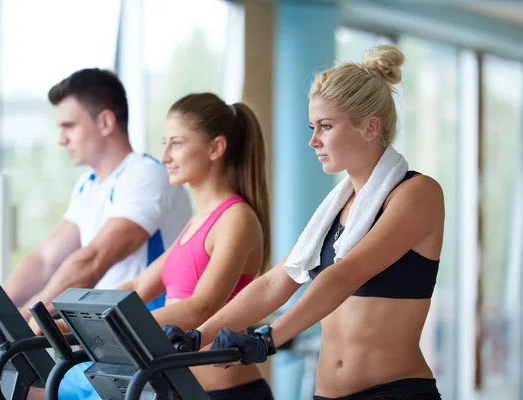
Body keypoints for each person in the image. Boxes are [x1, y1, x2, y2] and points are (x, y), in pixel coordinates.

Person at [165, 45, 445, 400]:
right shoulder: (336, 209)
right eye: (313, 127)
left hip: (395, 391)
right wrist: (198, 335)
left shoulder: (416, 193)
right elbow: (273, 285)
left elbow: (345, 275)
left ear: (370, 127)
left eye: (326, 127)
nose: (313, 140)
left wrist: (268, 339)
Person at [0, 68, 192, 400]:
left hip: (144, 352)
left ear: (105, 122)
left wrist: (27, 315)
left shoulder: (146, 175)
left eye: (69, 126)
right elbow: (46, 259)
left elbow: (93, 261)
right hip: (101, 351)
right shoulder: (89, 185)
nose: (61, 138)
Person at [49, 92, 275, 400]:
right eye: (164, 143)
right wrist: (63, 318)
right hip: (181, 390)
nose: (165, 156)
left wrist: (100, 328)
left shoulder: (236, 219)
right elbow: (138, 286)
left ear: (216, 148)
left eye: (177, 143)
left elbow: (201, 308)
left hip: (228, 393)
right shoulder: (196, 222)